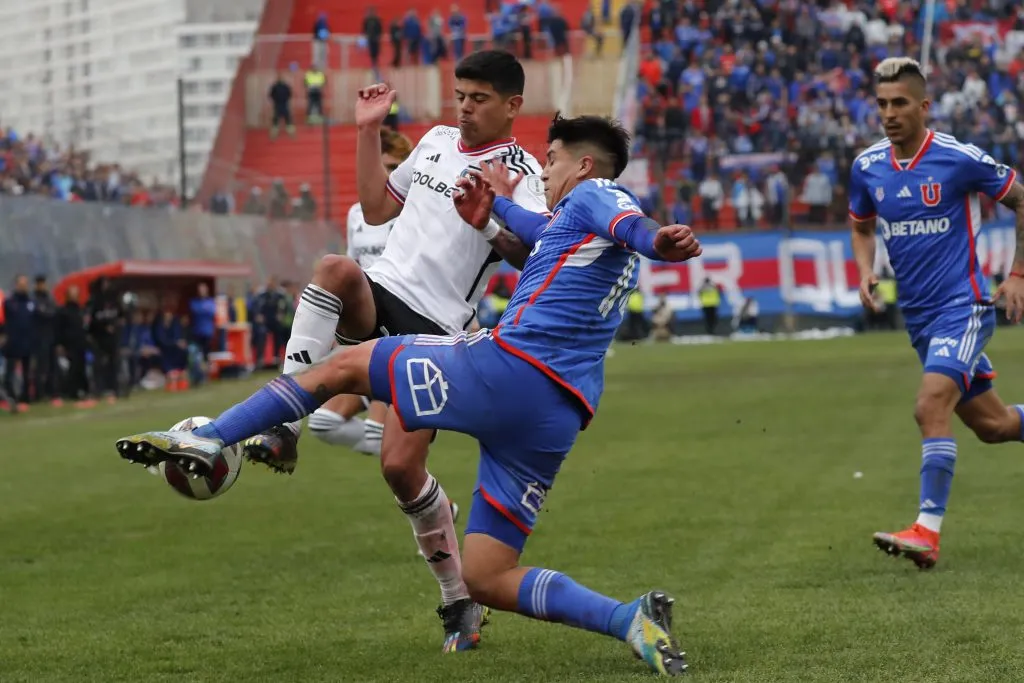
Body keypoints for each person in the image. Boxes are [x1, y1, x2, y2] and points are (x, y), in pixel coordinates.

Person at [115, 113, 698, 675]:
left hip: (509, 369)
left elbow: (631, 226)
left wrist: (660, 241)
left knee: (341, 368)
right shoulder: (570, 223)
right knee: (489, 575)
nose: (543, 173)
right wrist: (494, 210)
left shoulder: (597, 194)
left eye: (552, 161)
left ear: (585, 164)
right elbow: (541, 234)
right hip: (555, 414)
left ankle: (212, 438)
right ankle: (631, 620)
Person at [239, 50, 549, 652]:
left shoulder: (522, 171)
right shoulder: (434, 139)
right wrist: (365, 133)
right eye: (460, 95)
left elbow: (528, 254)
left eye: (479, 98)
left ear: (512, 105)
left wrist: (491, 221)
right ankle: (287, 427)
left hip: (436, 330)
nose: (464, 107)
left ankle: (458, 600)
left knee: (399, 469)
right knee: (334, 269)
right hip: (380, 294)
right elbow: (379, 209)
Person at [848, 57, 1024, 570]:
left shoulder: (956, 158)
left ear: (924, 106)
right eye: (881, 104)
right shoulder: (868, 166)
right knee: (992, 425)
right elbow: (861, 227)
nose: (889, 113)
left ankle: (926, 532)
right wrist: (865, 271)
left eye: (900, 103)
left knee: (929, 406)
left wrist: (1016, 276)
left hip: (964, 307)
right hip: (920, 321)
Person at [308, 128, 412, 456]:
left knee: (375, 436)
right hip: (365, 326)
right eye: (384, 166)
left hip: (401, 326)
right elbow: (353, 266)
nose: (389, 174)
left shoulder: (414, 212)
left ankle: (418, 476)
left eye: (396, 166)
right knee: (324, 424)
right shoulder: (356, 214)